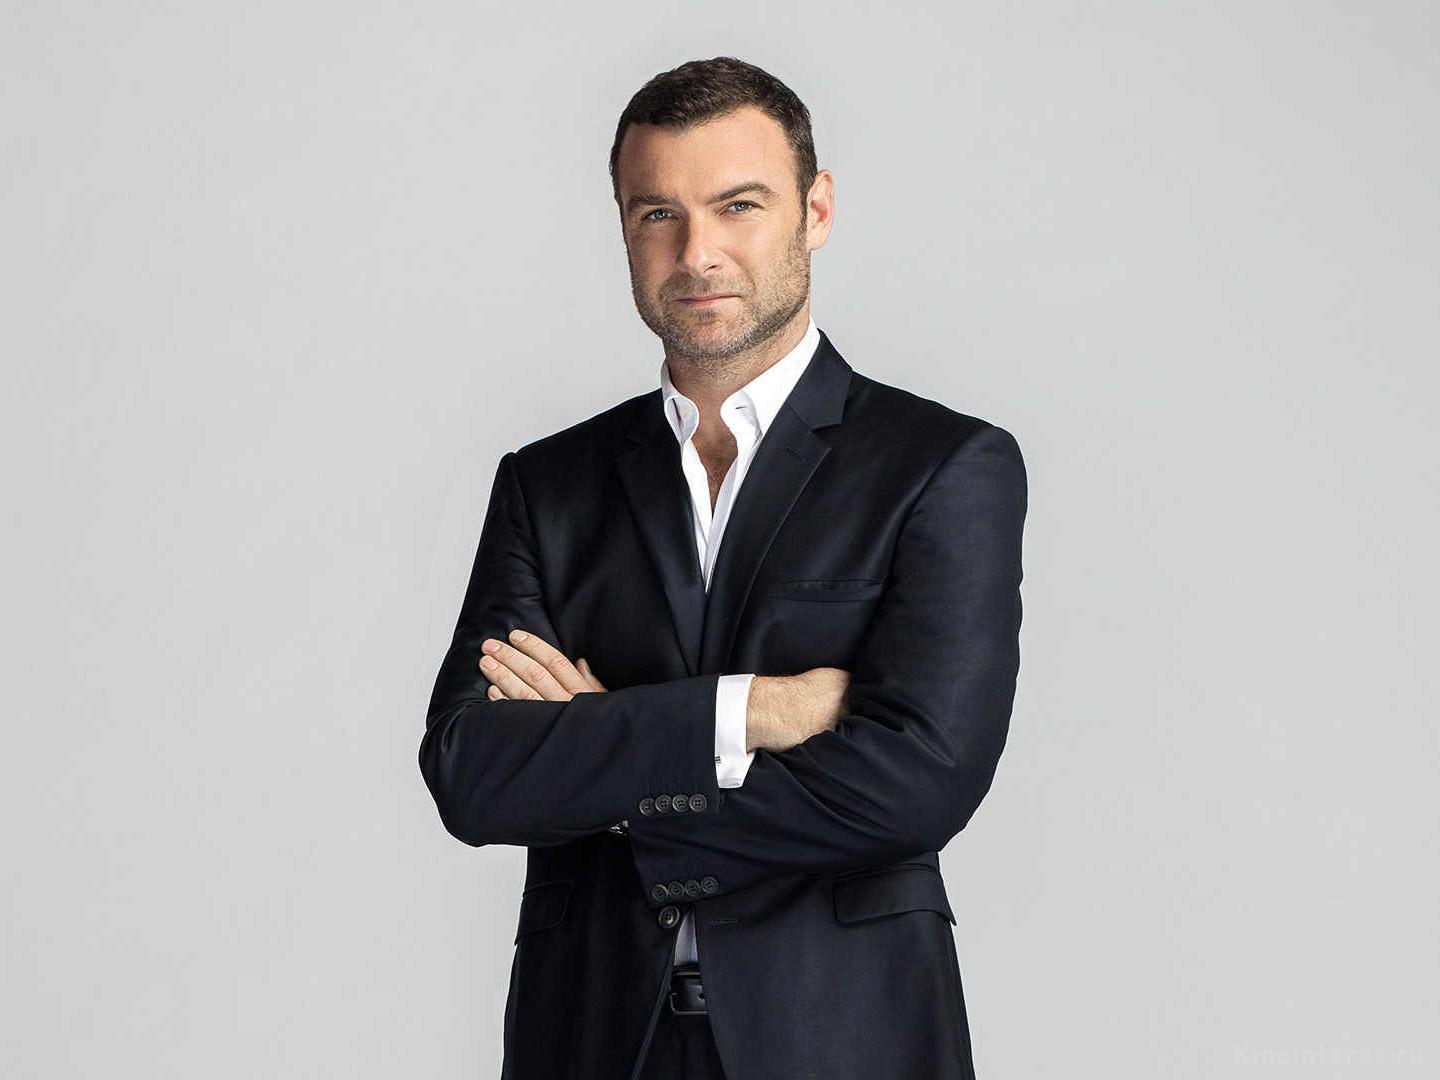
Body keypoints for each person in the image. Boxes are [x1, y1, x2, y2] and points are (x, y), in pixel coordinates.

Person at [419, 55, 1027, 1080]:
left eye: (738, 206)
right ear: (623, 227)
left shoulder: (941, 465)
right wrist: (752, 712)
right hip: (592, 1040)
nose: (697, 253)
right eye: (658, 213)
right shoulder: (549, 484)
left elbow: (920, 784)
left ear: (815, 210)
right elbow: (471, 773)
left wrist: (610, 761)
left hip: (843, 1040)